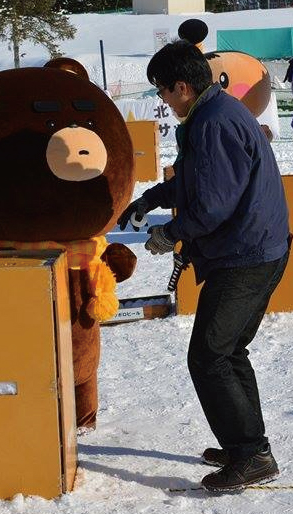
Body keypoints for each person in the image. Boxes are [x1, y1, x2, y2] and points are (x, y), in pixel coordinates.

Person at [117, 40, 290, 491]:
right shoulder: (208, 116)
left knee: (210, 355)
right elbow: (198, 182)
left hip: (245, 256)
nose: (162, 100)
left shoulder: (213, 122)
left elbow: (212, 204)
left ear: (182, 87)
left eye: (162, 92)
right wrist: (151, 199)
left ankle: (250, 454)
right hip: (252, 250)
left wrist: (170, 234)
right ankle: (247, 446)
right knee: (228, 351)